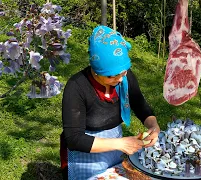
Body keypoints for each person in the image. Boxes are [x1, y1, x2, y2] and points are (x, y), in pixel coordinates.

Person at [60, 25, 160, 180]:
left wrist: (153, 126)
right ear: (96, 70)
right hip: (86, 155)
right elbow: (74, 139)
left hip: (116, 147)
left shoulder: (124, 78)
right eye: (112, 76)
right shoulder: (77, 87)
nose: (120, 79)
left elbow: (140, 105)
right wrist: (120, 144)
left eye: (123, 72)